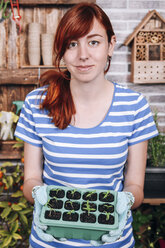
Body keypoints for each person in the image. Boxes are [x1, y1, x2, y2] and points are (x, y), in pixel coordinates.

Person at [15, 2, 158, 248]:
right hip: (50, 240)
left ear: (110, 46)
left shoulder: (134, 106)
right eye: (72, 44)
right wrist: (38, 196)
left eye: (94, 42)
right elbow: (32, 179)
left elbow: (135, 185)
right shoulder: (37, 104)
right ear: (62, 50)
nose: (83, 55)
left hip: (113, 241)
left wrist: (127, 199)